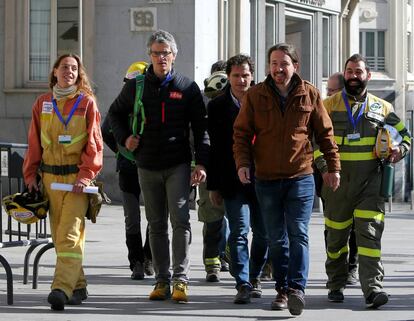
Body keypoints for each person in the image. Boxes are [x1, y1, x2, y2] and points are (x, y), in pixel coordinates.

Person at [233, 43, 340, 315]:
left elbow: (325, 135)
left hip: (300, 177)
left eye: (284, 63)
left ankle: (296, 289)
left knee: (299, 234)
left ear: (295, 65)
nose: (279, 69)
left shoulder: (310, 93)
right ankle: (281, 289)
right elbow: (242, 134)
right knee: (276, 238)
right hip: (266, 178)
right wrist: (243, 164)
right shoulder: (256, 95)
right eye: (274, 63)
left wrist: (332, 168)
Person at [108, 30, 209, 303]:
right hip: (147, 164)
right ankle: (162, 280)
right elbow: (113, 114)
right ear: (149, 56)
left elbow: (201, 129)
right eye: (156, 53)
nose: (161, 57)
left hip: (177, 165)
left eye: (166, 53)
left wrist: (200, 163)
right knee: (155, 224)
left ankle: (181, 279)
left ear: (174, 56)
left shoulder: (188, 88)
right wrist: (124, 138)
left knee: (180, 222)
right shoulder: (136, 86)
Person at [315, 53, 411, 308]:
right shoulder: (328, 105)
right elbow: (314, 142)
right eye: (349, 72)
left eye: (358, 72)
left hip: (371, 183)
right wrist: (325, 169)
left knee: (369, 237)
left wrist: (399, 150)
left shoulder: (383, 107)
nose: (353, 76)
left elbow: (406, 136)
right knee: (336, 239)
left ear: (368, 75)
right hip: (336, 184)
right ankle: (336, 283)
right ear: (344, 75)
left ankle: (373, 288)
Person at [23, 53, 103, 310]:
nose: (69, 71)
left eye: (74, 68)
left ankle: (61, 289)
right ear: (55, 71)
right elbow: (34, 143)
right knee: (59, 237)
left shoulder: (86, 103)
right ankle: (78, 286)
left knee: (69, 234)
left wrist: (85, 175)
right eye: (65, 67)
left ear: (79, 74)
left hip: (76, 181)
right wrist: (30, 175)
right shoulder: (43, 103)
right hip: (49, 179)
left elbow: (94, 144)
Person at [208, 54, 268, 304]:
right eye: (236, 75)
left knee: (263, 233)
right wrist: (213, 185)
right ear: (228, 77)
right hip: (232, 181)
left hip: (264, 179)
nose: (241, 80)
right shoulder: (217, 106)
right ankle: (242, 281)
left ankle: (255, 276)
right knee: (239, 231)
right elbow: (213, 148)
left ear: (252, 76)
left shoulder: (265, 102)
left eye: (245, 75)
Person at [101, 61, 153, 280]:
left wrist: (121, 149)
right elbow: (106, 131)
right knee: (142, 217)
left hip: (145, 166)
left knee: (148, 216)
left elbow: (105, 132)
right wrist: (123, 147)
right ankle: (140, 261)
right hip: (131, 167)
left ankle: (144, 261)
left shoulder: (146, 101)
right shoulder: (121, 105)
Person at [323, 71, 358, 286]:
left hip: (357, 179)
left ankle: (351, 268)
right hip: (331, 179)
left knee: (354, 226)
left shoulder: (357, 109)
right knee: (332, 227)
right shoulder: (326, 107)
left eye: (332, 90)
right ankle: (335, 270)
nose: (328, 94)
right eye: (327, 90)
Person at [197, 61, 230, 282]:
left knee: (232, 219)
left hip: (229, 170)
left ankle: (222, 259)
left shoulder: (239, 102)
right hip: (209, 170)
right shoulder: (202, 104)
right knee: (213, 219)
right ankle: (213, 263)